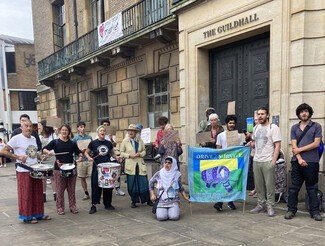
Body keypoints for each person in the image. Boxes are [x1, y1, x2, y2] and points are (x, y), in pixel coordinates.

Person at [0, 119, 51, 224]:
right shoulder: (16, 138)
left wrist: (41, 156)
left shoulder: (33, 138)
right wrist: (17, 156)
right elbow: (3, 151)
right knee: (26, 194)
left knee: (37, 193)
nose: (29, 128)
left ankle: (38, 214)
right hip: (23, 170)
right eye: (26, 126)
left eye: (30, 126)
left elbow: (33, 153)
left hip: (35, 169)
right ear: (21, 127)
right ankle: (27, 216)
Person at [285, 103, 323, 221]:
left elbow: (316, 143)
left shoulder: (316, 126)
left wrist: (299, 150)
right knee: (294, 188)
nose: (304, 113)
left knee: (312, 188)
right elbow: (294, 144)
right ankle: (291, 210)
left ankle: (315, 212)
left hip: (312, 162)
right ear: (298, 114)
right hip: (297, 162)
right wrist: (300, 159)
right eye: (301, 112)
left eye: (306, 111)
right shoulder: (294, 128)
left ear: (310, 113)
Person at [43, 124, 82, 215]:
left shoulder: (72, 143)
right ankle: (60, 208)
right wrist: (48, 152)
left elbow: (79, 152)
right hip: (59, 169)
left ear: (69, 132)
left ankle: (73, 206)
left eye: (66, 130)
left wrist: (80, 157)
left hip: (71, 169)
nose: (64, 132)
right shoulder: (55, 142)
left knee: (71, 190)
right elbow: (44, 149)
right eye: (63, 130)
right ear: (60, 131)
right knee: (59, 190)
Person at [248, 107, 281, 217]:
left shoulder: (273, 127)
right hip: (257, 160)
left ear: (267, 115)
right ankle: (260, 204)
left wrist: (273, 161)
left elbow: (277, 146)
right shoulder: (256, 127)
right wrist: (249, 143)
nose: (260, 116)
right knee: (259, 185)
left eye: (262, 114)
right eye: (258, 114)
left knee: (269, 185)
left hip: (268, 160)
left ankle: (270, 206)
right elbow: (254, 143)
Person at [85, 125, 116, 214]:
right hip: (97, 167)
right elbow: (86, 152)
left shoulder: (109, 143)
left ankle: (107, 204)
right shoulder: (93, 143)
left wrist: (117, 157)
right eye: (101, 131)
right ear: (98, 133)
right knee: (95, 185)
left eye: (104, 131)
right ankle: (93, 205)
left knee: (108, 186)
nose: (102, 132)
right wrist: (89, 157)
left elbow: (112, 154)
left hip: (107, 168)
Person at [214, 115, 243, 211]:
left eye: (233, 123)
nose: (232, 125)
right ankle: (220, 202)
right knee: (222, 181)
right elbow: (218, 149)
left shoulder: (238, 136)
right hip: (223, 162)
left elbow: (240, 149)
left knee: (231, 181)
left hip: (233, 162)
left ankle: (230, 202)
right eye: (230, 123)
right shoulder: (220, 135)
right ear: (226, 124)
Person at [120, 124, 152, 208]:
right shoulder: (125, 141)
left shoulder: (140, 140)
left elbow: (144, 151)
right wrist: (129, 156)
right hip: (130, 166)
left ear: (135, 132)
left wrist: (140, 154)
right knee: (132, 184)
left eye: (132, 131)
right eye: (129, 131)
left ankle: (147, 200)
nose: (130, 132)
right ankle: (134, 201)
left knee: (144, 182)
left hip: (140, 165)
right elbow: (121, 152)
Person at [149, 156, 190, 221]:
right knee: (161, 217)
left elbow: (180, 186)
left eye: (169, 163)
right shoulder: (159, 173)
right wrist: (152, 194)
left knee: (174, 217)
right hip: (162, 200)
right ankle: (164, 211)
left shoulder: (176, 174)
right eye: (165, 162)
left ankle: (173, 210)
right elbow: (151, 182)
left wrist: (185, 197)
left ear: (173, 164)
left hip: (173, 200)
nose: (167, 164)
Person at [101, 118, 125, 196]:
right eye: (104, 125)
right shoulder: (100, 134)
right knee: (104, 174)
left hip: (113, 157)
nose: (106, 127)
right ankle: (104, 189)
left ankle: (118, 188)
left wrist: (110, 138)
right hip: (104, 159)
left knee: (116, 174)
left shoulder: (112, 135)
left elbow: (114, 145)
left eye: (107, 125)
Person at [72, 121, 93, 201]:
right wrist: (76, 157)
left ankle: (95, 192)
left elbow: (92, 148)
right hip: (81, 160)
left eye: (83, 126)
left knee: (93, 176)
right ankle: (86, 193)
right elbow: (73, 149)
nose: (83, 128)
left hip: (89, 159)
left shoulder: (89, 137)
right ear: (78, 128)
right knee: (82, 177)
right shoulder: (75, 139)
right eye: (81, 127)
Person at [39, 121, 57, 202]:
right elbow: (39, 149)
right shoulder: (40, 137)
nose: (39, 127)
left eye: (40, 125)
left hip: (52, 158)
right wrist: (40, 156)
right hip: (43, 159)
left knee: (53, 177)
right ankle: (43, 195)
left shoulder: (53, 136)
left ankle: (55, 194)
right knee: (43, 178)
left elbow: (56, 146)